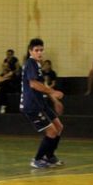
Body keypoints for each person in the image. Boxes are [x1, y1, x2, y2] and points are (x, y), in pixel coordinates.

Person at [21, 38, 65, 169]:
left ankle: (50, 156)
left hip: (41, 103)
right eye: (36, 50)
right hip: (31, 105)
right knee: (51, 131)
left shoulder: (38, 65)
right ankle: (37, 159)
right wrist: (54, 91)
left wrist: (55, 100)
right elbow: (34, 84)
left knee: (59, 127)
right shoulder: (30, 63)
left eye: (41, 50)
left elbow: (43, 85)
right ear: (30, 51)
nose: (39, 52)